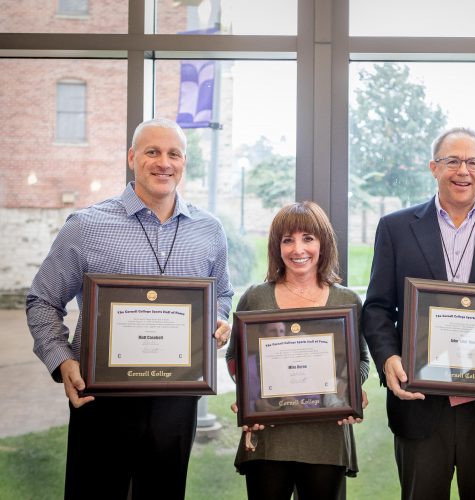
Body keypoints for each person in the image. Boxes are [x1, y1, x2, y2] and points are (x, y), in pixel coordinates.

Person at [25, 118, 234, 499]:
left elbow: (222, 294)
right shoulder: (86, 226)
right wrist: (63, 360)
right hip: (103, 398)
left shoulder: (209, 230)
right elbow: (42, 299)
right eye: (152, 152)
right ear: (132, 157)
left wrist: (219, 319)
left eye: (174, 154)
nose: (163, 163)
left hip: (177, 398)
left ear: (185, 162)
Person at [361, 127, 475, 500]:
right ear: (434, 167)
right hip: (420, 405)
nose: (463, 170)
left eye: (472, 162)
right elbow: (377, 308)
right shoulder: (396, 228)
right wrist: (388, 358)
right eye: (452, 161)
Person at [226, 201, 370, 500]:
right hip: (269, 436)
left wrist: (350, 390)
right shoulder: (256, 297)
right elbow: (234, 359)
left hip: (325, 438)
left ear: (323, 243)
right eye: (287, 240)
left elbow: (361, 361)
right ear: (277, 247)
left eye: (308, 238)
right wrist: (249, 397)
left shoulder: (347, 301)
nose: (298, 249)